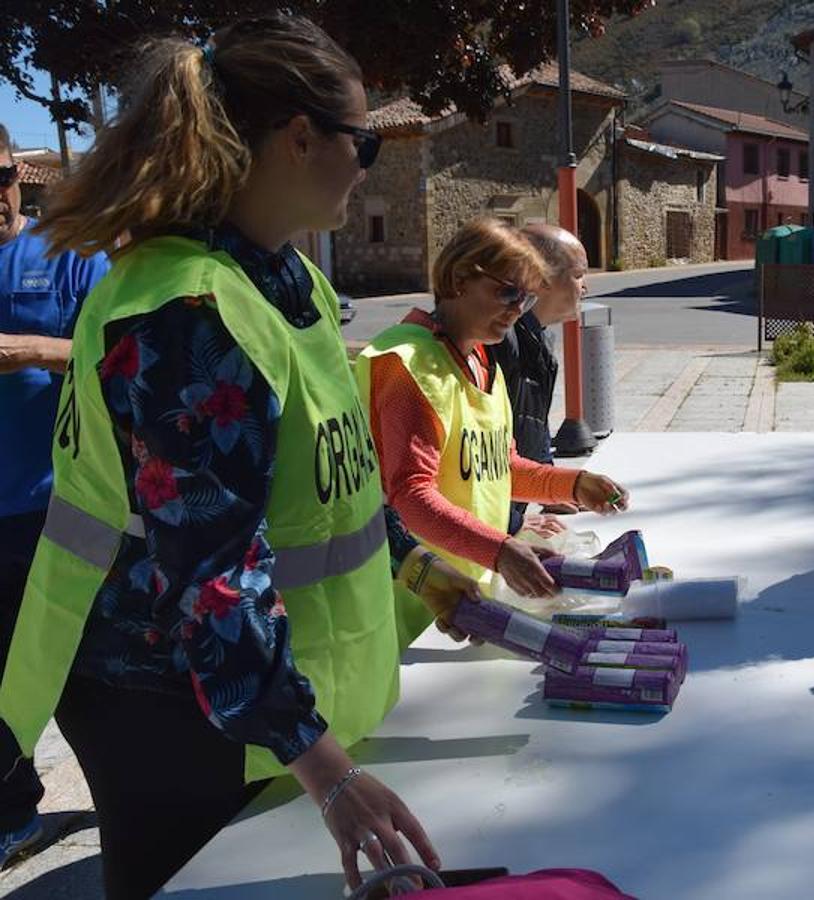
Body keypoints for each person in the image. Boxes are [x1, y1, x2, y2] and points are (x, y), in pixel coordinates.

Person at [0, 16, 481, 897]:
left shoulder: (284, 279)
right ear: (300, 138)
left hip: (259, 701)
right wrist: (328, 771)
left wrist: (430, 577)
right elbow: (213, 576)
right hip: (171, 708)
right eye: (364, 142)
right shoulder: (189, 313)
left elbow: (331, 491)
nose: (367, 164)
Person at [358, 218, 628, 602]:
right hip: (410, 596)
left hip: (462, 591)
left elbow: (501, 469)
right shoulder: (408, 363)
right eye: (507, 293)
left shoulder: (483, 362)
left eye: (527, 299)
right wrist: (499, 550)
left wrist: (572, 484)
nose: (517, 310)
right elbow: (411, 494)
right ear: (458, 279)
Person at [0, 125, 111, 866]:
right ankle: (15, 816)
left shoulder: (68, 255)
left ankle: (133, 803)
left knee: (85, 680)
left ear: (16, 171)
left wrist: (35, 350)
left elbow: (120, 350)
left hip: (54, 511)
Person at [490, 223, 589, 537]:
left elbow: (531, 431)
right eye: (578, 275)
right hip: (486, 534)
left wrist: (551, 487)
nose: (585, 287)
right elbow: (480, 456)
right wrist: (512, 524)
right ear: (540, 278)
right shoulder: (499, 341)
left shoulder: (538, 341)